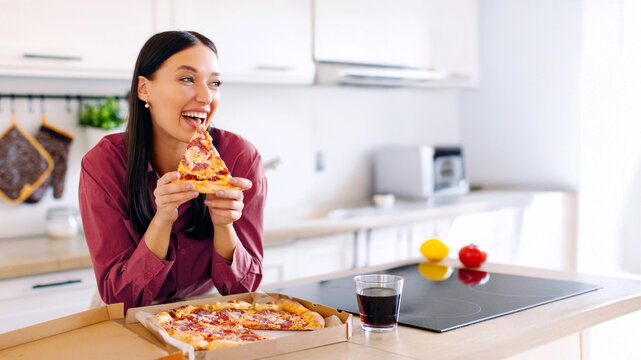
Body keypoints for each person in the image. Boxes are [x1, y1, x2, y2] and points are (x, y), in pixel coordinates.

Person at [78, 31, 267, 311]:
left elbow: (242, 290)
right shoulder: (104, 164)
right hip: (128, 313)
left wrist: (224, 224)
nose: (205, 96)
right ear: (144, 89)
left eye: (214, 83)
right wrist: (163, 218)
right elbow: (119, 298)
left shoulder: (240, 157)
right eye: (187, 79)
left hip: (207, 311)